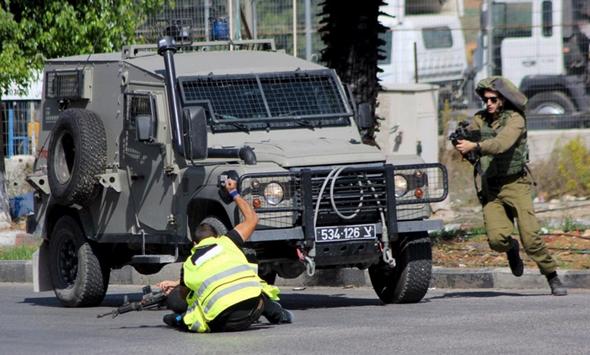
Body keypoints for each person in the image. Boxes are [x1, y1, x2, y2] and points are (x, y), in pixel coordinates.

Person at [454, 76, 567, 296]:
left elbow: (501, 144)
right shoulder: (481, 118)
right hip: (492, 188)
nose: (489, 104)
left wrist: (475, 145)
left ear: (503, 100)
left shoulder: (516, 120)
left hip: (516, 184)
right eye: (486, 99)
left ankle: (551, 275)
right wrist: (462, 134)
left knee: (531, 238)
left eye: (494, 99)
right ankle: (511, 248)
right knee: (497, 240)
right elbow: (471, 127)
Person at [156, 177, 293, 332]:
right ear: (216, 237)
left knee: (190, 311)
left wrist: (177, 286)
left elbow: (186, 294)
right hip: (254, 310)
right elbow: (252, 218)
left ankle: (176, 320)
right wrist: (234, 193)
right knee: (256, 290)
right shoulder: (228, 241)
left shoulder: (189, 264)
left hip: (222, 322)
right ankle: (280, 315)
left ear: (194, 244)